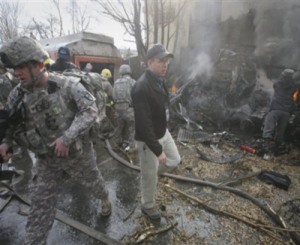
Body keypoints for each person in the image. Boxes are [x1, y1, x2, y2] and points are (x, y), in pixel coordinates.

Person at [0, 36, 111, 244]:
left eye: (21, 67)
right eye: (14, 68)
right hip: (46, 161)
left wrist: (66, 138)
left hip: (77, 155)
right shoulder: (17, 94)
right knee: (39, 210)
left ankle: (105, 198)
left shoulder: (67, 86)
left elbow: (89, 111)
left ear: (40, 65)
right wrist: (6, 142)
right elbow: (12, 123)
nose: (16, 72)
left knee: (95, 184)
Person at [131, 43, 181, 220]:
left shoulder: (160, 80)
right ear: (150, 62)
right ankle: (148, 205)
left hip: (163, 132)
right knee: (150, 175)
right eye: (162, 61)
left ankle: (148, 174)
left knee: (175, 159)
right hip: (148, 139)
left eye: (167, 61)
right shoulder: (141, 87)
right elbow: (144, 126)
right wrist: (158, 151)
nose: (166, 64)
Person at [262, 68, 298, 160]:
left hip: (275, 109)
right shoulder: (294, 86)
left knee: (268, 129)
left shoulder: (278, 83)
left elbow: (275, 86)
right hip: (286, 112)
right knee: (280, 133)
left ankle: (266, 150)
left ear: (283, 75)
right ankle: (276, 150)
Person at [112, 64, 136, 151]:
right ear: (129, 71)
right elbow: (136, 96)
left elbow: (113, 96)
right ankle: (132, 147)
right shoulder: (132, 82)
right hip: (129, 110)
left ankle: (116, 144)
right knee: (132, 129)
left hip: (118, 110)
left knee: (118, 128)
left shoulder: (116, 82)